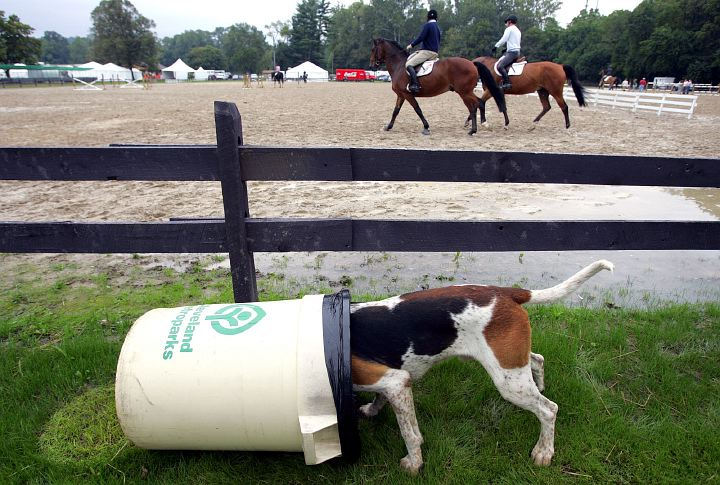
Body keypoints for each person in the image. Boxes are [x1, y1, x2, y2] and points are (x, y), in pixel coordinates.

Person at [405, 9, 441, 94]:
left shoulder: (427, 26)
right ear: (436, 17)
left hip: (427, 52)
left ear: (428, 17)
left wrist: (411, 45)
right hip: (435, 53)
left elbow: (421, 37)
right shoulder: (437, 27)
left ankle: (415, 85)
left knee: (408, 64)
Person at [493, 14, 522, 91]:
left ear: (509, 21)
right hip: (516, 52)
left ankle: (507, 83)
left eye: (506, 22)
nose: (506, 24)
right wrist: (506, 49)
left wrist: (496, 46)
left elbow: (504, 39)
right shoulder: (518, 30)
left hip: (512, 53)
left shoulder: (509, 29)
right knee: (506, 66)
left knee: (500, 66)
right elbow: (515, 42)